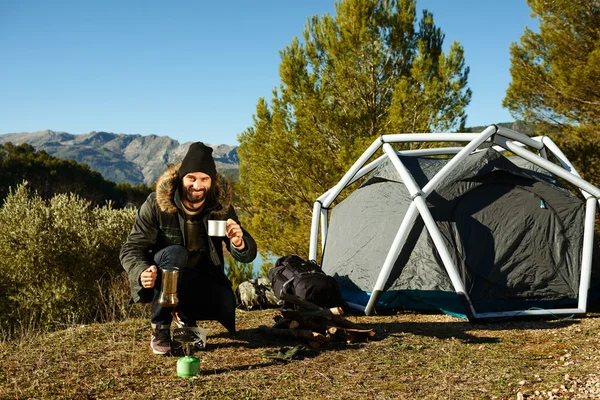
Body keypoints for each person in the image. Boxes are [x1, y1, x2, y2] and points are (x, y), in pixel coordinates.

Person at [120, 142, 257, 355]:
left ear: (211, 182)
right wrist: (140, 271)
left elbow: (248, 254)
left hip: (200, 278)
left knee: (225, 300)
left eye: (204, 179)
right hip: (162, 275)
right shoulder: (157, 204)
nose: (197, 185)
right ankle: (160, 329)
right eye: (191, 178)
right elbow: (131, 248)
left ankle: (182, 313)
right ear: (181, 178)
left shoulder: (219, 207)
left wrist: (238, 242)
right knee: (176, 253)